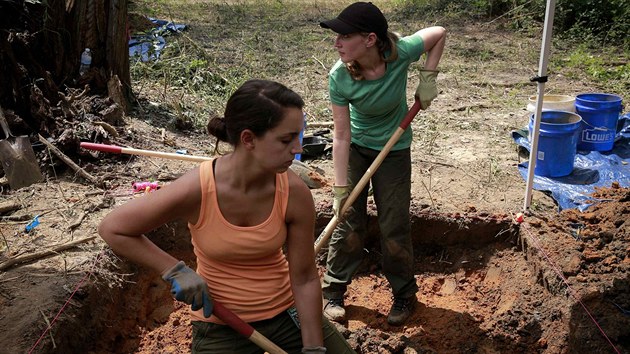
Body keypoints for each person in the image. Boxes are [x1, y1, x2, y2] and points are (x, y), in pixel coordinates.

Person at [99, 79, 355, 354]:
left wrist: (314, 347)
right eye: (286, 139)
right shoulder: (199, 188)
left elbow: (304, 278)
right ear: (248, 139)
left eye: (299, 136)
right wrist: (175, 270)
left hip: (286, 315)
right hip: (222, 324)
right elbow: (113, 228)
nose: (298, 148)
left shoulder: (293, 192)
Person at [319, 2, 447, 326]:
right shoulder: (340, 77)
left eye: (344, 36)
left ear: (370, 39)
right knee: (348, 220)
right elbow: (342, 136)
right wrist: (339, 189)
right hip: (358, 148)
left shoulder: (400, 52)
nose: (337, 43)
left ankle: (404, 293)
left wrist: (428, 77)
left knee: (394, 224)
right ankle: (332, 292)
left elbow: (439, 34)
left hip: (394, 148)